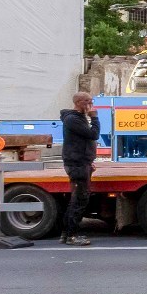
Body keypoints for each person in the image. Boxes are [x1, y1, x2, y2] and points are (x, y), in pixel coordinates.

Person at [59, 92, 100, 246]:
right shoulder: (73, 119)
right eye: (88, 101)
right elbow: (93, 135)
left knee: (77, 200)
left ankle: (66, 234)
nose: (91, 105)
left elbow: (81, 142)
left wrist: (88, 161)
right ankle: (72, 235)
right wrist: (94, 117)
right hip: (77, 165)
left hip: (81, 163)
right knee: (79, 200)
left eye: (91, 101)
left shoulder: (78, 118)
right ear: (78, 102)